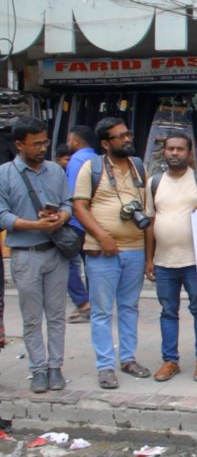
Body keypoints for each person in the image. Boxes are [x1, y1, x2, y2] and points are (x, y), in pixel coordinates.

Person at [73, 117, 151, 389]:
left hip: (135, 250)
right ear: (105, 144)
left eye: (128, 134)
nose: (127, 139)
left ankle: (128, 359)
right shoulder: (91, 167)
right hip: (102, 251)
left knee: (129, 307)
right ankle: (105, 366)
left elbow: (147, 211)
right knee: (102, 311)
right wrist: (102, 236)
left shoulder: (138, 166)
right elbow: (79, 207)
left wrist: (149, 257)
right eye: (120, 136)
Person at [0, 117, 71, 393]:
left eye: (45, 142)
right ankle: (38, 369)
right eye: (36, 143)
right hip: (25, 255)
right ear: (19, 144)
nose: (42, 148)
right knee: (31, 318)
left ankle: (56, 367)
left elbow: (68, 203)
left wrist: (61, 217)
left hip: (55, 253)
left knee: (56, 315)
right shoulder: (5, 174)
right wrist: (34, 225)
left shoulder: (55, 171)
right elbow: (2, 215)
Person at [145, 133, 197, 382]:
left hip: (195, 261)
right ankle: (170, 361)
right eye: (170, 148)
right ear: (164, 152)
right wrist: (149, 259)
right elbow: (150, 222)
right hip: (164, 262)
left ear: (189, 153)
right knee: (168, 312)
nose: (174, 153)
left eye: (180, 149)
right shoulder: (154, 182)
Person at [64, 125, 97, 324]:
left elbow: (73, 194)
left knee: (65, 262)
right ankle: (95, 304)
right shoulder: (98, 159)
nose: (68, 143)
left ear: (76, 141)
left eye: (69, 140)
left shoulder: (76, 160)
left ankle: (83, 302)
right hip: (95, 222)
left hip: (77, 222)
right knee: (92, 265)